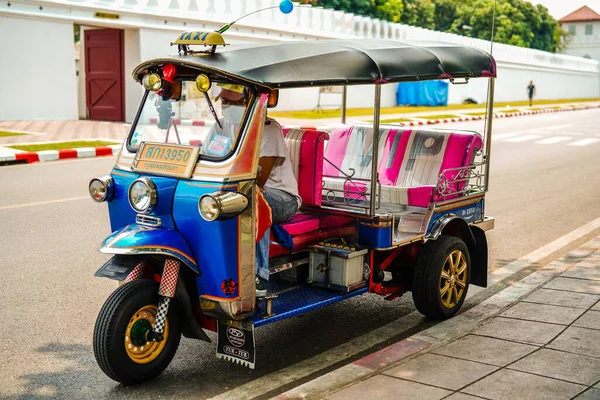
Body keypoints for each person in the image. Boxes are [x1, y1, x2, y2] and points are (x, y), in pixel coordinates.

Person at [210, 85, 301, 295]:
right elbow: (207, 156)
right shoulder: (221, 125)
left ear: (248, 102)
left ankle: (259, 274)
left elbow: (259, 179)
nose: (227, 106)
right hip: (239, 189)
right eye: (225, 101)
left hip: (282, 198)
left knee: (249, 195)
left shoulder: (268, 128)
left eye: (233, 101)